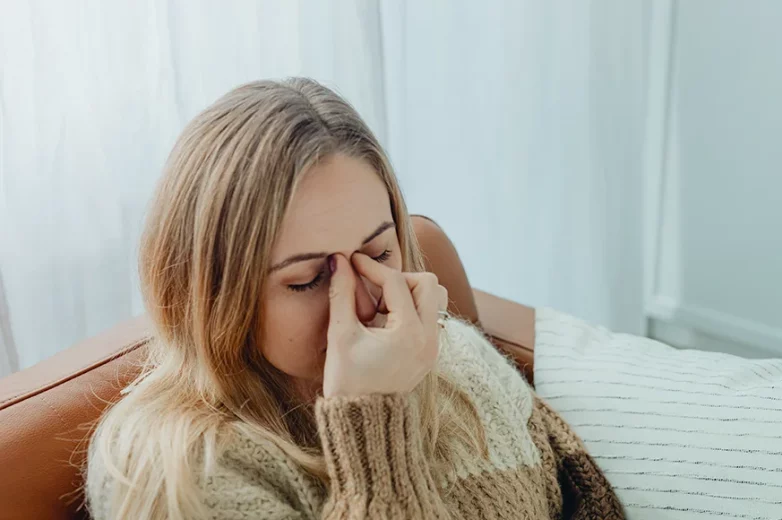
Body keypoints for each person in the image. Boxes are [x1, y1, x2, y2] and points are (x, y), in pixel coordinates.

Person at [85, 78, 624, 519]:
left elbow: (585, 493)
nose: (360, 304)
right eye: (306, 280)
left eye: (379, 255)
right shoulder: (177, 474)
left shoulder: (451, 354)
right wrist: (373, 422)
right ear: (214, 294)